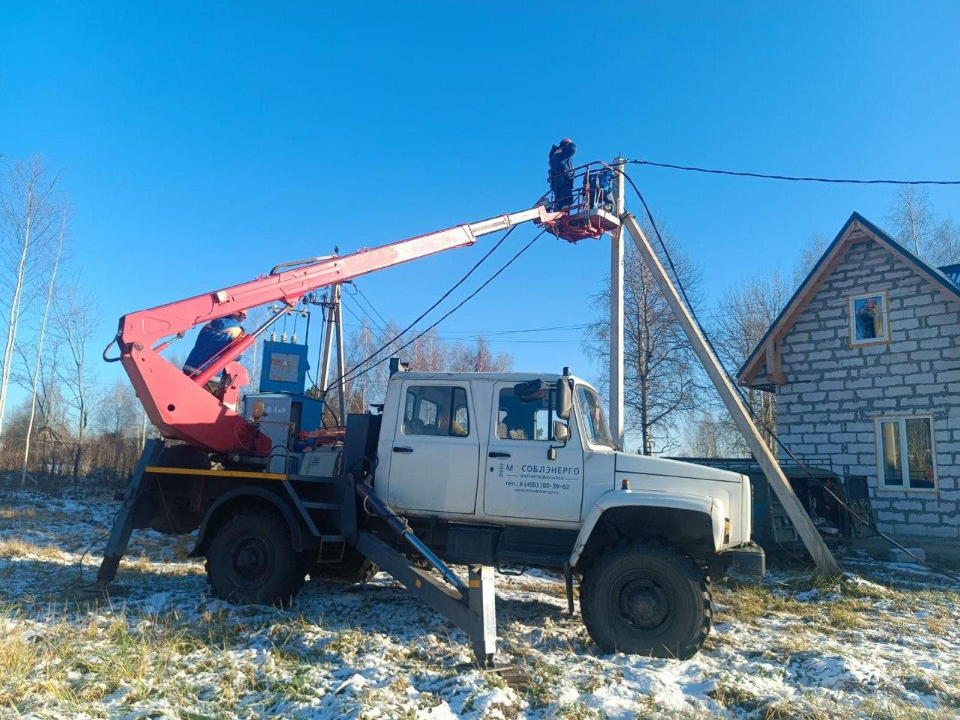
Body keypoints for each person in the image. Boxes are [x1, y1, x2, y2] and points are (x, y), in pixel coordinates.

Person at [183, 310, 248, 380]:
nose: (243, 320)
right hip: (210, 374)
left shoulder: (208, 324)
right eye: (244, 317)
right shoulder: (237, 332)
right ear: (238, 314)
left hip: (189, 367)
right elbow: (237, 356)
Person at [547, 138, 577, 211]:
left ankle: (559, 209)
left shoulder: (555, 154)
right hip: (564, 177)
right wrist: (569, 143)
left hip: (556, 181)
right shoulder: (561, 152)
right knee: (565, 192)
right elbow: (573, 148)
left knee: (558, 196)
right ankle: (564, 207)